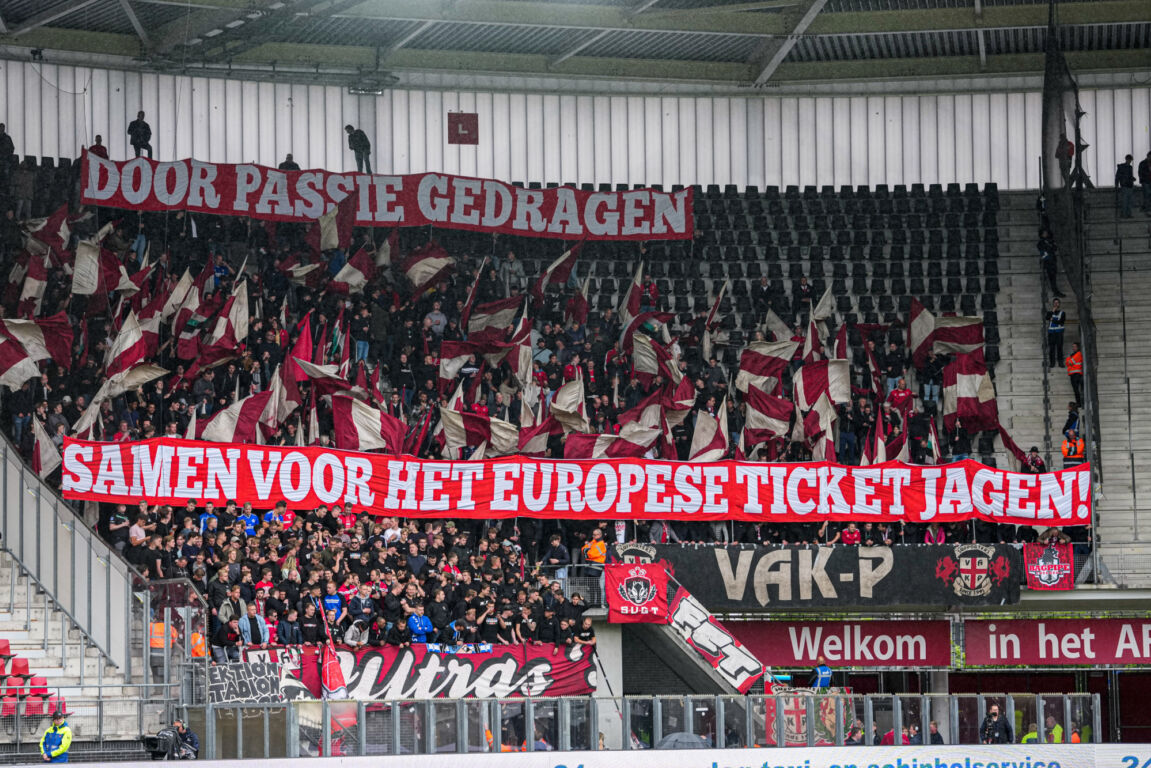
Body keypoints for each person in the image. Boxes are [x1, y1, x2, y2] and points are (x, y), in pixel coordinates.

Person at [1037, 228, 1063, 298]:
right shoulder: (1041, 243)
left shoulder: (1050, 241)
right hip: (1047, 262)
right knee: (1049, 278)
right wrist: (1046, 255)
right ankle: (1053, 292)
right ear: (1041, 234)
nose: (1045, 234)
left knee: (1053, 277)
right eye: (1044, 233)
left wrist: (1050, 246)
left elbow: (1055, 248)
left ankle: (1055, 291)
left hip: (1053, 261)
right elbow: (1044, 253)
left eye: (1046, 233)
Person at [1045, 298, 1065, 367]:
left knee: (1059, 348)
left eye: (1057, 303)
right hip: (1051, 333)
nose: (1056, 304)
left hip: (1059, 333)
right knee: (1052, 349)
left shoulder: (1062, 313)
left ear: (1059, 304)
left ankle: (1060, 363)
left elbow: (1061, 322)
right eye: (1055, 303)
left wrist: (1052, 319)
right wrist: (1052, 312)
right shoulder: (1050, 312)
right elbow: (1047, 318)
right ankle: (1052, 363)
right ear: (1053, 304)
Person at [1116, 154, 1136, 218]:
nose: (1130, 161)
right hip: (1125, 186)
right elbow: (1118, 176)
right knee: (1125, 201)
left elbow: (1118, 177)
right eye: (1129, 160)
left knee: (1129, 201)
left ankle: (1127, 214)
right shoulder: (1122, 167)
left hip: (1128, 186)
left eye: (1130, 160)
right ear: (1126, 159)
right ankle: (1125, 214)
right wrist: (1116, 185)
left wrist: (1133, 179)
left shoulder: (1128, 167)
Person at [1065, 341, 1083, 406]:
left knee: (1077, 389)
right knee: (1075, 390)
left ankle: (1079, 403)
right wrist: (1069, 360)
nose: (1073, 348)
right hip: (1072, 375)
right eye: (1073, 347)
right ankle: (1079, 402)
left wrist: (1069, 360)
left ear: (1078, 347)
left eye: (1075, 346)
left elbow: (1070, 362)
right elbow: (1067, 363)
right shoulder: (1073, 355)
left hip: (1077, 374)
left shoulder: (1078, 354)